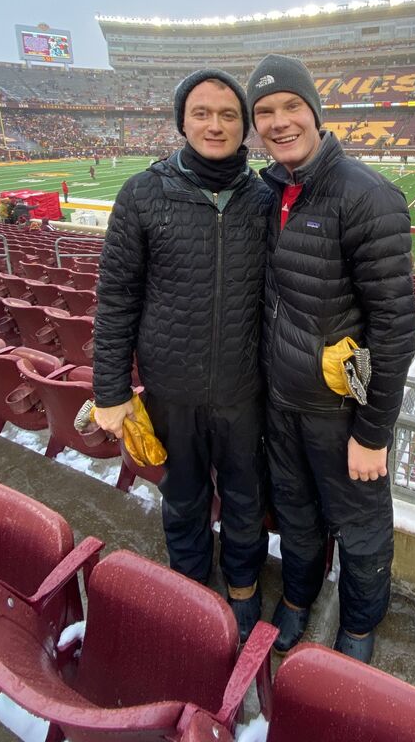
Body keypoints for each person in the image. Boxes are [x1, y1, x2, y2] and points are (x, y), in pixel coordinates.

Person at [247, 53, 415, 665]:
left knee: (362, 529)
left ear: (316, 112)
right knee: (295, 513)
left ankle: (359, 625)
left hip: (342, 412)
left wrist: (373, 432)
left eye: (292, 106)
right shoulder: (269, 193)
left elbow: (396, 328)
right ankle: (297, 597)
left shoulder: (367, 195)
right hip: (282, 403)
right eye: (264, 112)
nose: (279, 121)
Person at [92, 70, 272, 643]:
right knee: (184, 495)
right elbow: (116, 296)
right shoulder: (142, 193)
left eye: (227, 114)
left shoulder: (266, 198)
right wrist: (110, 389)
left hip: (246, 389)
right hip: (172, 387)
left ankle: (243, 587)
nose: (214, 124)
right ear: (181, 120)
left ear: (244, 125)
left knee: (246, 498)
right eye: (201, 112)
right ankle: (192, 586)